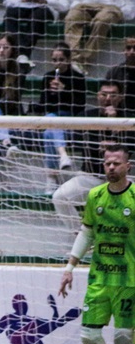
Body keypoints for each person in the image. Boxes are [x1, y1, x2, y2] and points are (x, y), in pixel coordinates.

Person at [59, 144, 135, 344]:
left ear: (128, 166)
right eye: (107, 163)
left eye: (116, 163)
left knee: (124, 338)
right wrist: (69, 267)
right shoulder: (95, 196)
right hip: (99, 279)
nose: (111, 167)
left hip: (129, 280)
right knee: (89, 336)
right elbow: (87, 233)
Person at [52, 80, 128, 233]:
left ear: (121, 97)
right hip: (91, 177)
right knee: (59, 197)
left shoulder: (129, 119)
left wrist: (113, 124)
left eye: (113, 95)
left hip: (123, 180)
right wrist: (100, 144)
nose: (108, 98)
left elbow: (129, 148)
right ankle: (81, 236)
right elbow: (78, 142)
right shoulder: (86, 117)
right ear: (97, 96)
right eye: (104, 94)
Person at [64, 0, 135, 72]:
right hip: (86, 5)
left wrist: (121, 13)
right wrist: (75, 8)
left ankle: (84, 60)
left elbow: (130, 1)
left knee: (102, 20)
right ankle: (73, 59)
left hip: (111, 7)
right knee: (72, 17)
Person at [34, 42, 87, 173]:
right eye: (54, 60)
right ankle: (62, 156)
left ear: (68, 60)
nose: (58, 63)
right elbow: (43, 105)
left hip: (69, 120)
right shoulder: (48, 77)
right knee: (50, 125)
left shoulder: (78, 78)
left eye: (61, 60)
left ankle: (51, 175)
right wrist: (50, 92)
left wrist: (64, 90)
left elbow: (80, 106)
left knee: (49, 130)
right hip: (51, 118)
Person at [104, 36, 135, 111]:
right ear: (124, 50)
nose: (132, 52)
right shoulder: (114, 72)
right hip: (120, 115)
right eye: (128, 48)